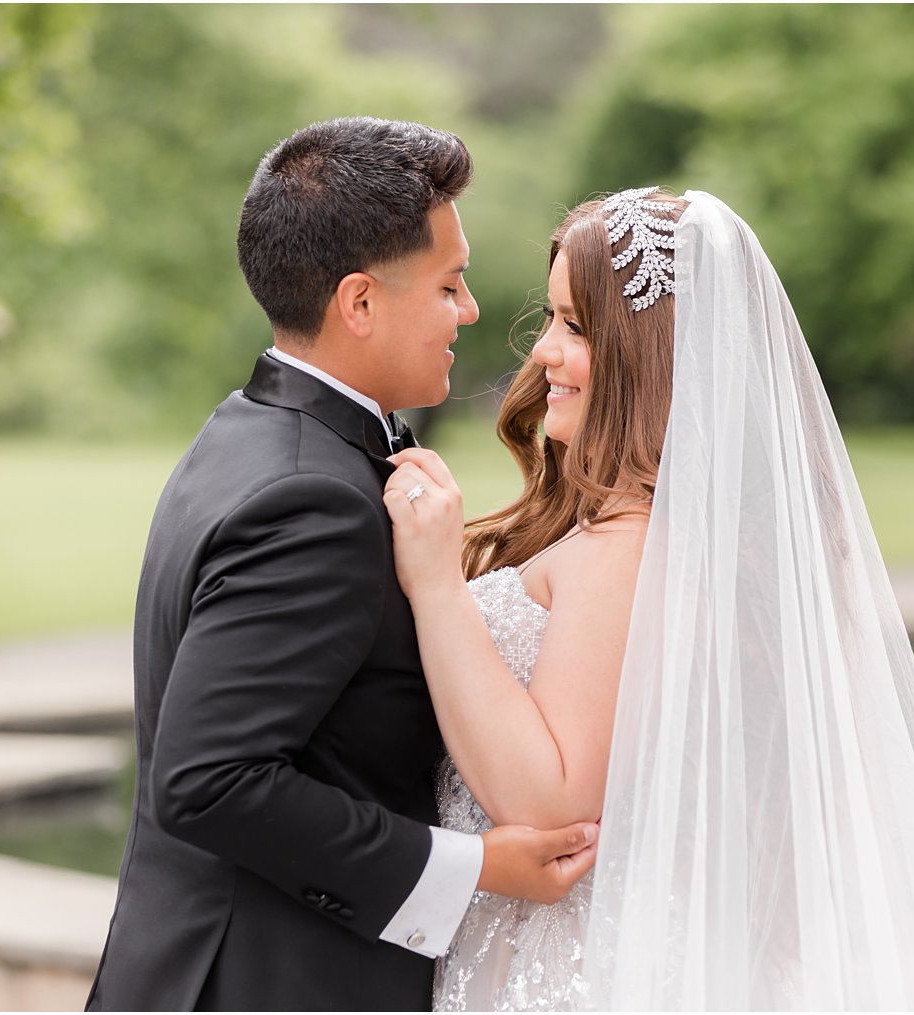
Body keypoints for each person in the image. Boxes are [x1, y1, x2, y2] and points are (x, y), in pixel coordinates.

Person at [383, 188, 914, 1010]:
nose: (543, 352)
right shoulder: (660, 538)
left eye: (576, 326)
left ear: (650, 354)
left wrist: (436, 585)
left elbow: (551, 803)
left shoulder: (629, 545)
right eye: (550, 319)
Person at [86, 117, 598, 1013]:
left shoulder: (245, 432)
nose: (472, 309)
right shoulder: (312, 499)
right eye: (450, 283)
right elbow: (208, 780)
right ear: (360, 303)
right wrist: (476, 867)